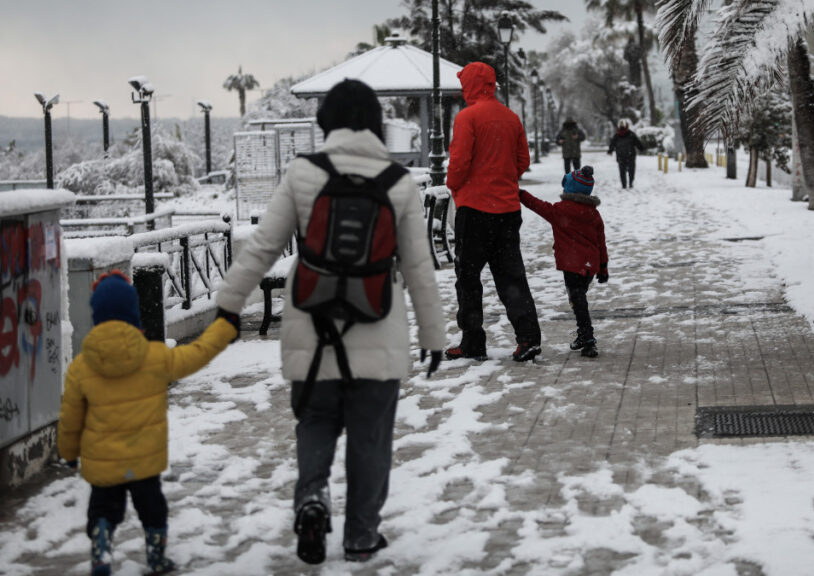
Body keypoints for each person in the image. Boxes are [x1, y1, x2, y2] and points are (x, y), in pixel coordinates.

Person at [214, 79, 446, 565]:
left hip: (311, 328)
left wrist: (229, 304)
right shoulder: (397, 183)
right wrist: (433, 336)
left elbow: (263, 246)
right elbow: (420, 267)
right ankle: (362, 534)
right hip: (379, 329)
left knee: (316, 421)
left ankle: (312, 498)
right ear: (376, 125)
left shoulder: (304, 173)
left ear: (326, 122)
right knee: (370, 437)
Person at [58, 271, 239, 576]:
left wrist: (69, 454)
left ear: (97, 315)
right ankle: (156, 557)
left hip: (103, 462)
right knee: (152, 509)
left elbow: (70, 418)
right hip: (143, 461)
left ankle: (101, 544)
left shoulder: (81, 366)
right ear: (133, 312)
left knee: (103, 509)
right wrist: (223, 327)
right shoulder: (154, 356)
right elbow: (196, 354)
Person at [445, 61, 543, 363]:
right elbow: (522, 160)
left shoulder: (467, 117)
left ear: (471, 85)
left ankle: (473, 341)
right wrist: (502, 177)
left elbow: (459, 164)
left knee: (469, 278)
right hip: (506, 211)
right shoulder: (510, 118)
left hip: (474, 211)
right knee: (511, 276)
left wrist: (456, 186)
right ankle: (528, 338)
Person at [519, 166, 609, 358]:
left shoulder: (560, 211)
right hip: (589, 266)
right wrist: (603, 268)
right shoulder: (594, 214)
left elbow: (537, 205)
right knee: (579, 299)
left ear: (569, 188)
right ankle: (583, 334)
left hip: (571, 265)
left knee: (578, 301)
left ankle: (588, 339)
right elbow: (601, 242)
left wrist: (519, 193)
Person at [607, 119, 646, 189]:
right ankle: (624, 185)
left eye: (623, 124)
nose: (621, 126)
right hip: (620, 156)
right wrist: (610, 150)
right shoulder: (617, 135)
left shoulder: (631, 134)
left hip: (630, 156)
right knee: (622, 171)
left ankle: (631, 183)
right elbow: (612, 144)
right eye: (620, 124)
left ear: (625, 125)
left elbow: (637, 142)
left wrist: (642, 148)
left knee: (631, 171)